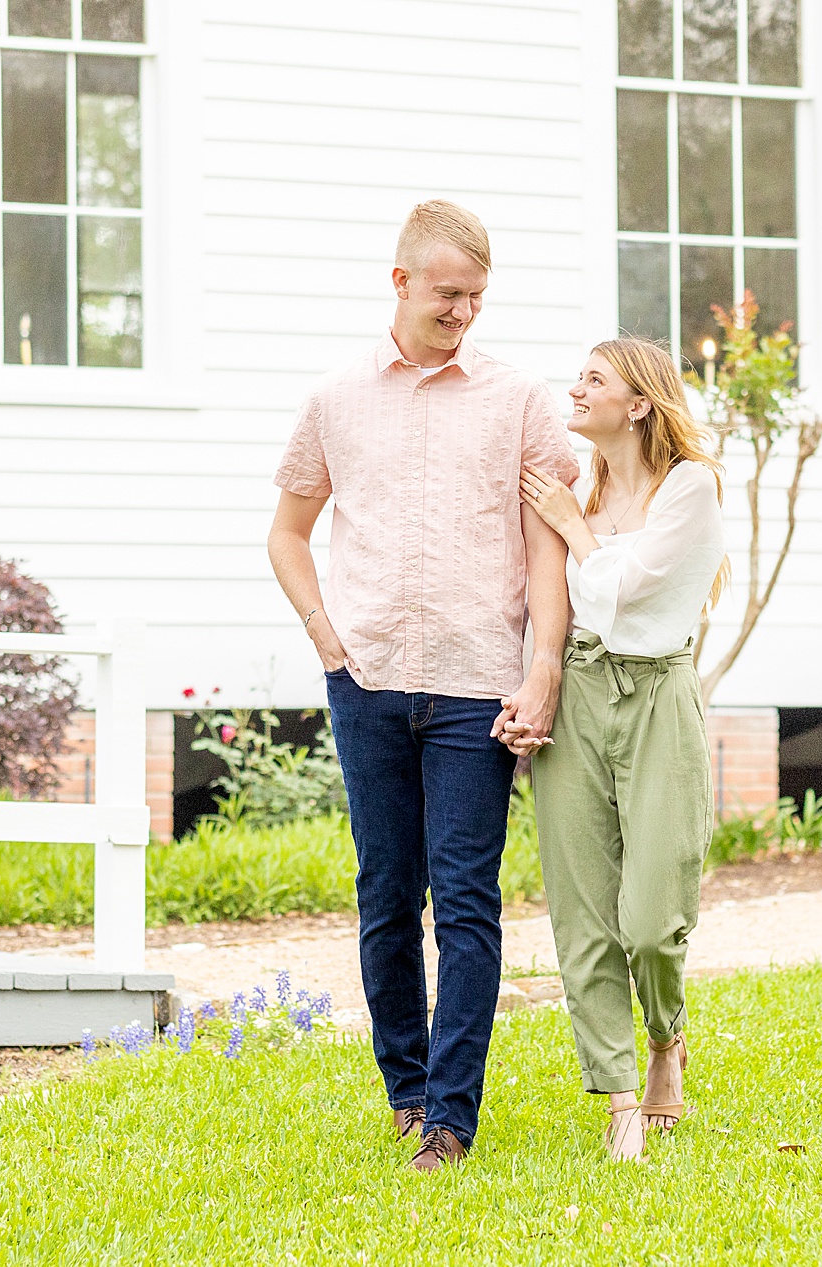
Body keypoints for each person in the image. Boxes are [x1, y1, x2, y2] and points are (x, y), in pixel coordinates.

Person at [266, 201, 579, 1172]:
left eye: (477, 298)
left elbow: (548, 538)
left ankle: (450, 1118)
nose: (463, 313)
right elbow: (288, 530)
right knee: (384, 896)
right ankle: (404, 1090)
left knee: (468, 903)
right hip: (366, 684)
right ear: (399, 283)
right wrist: (327, 639)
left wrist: (543, 666)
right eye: (449, 294)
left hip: (478, 687)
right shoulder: (334, 399)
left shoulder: (518, 398)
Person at [513, 337, 727, 1163]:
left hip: (657, 694)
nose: (576, 389)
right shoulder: (582, 491)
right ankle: (619, 1095)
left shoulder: (691, 489)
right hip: (578, 693)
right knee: (582, 910)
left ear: (638, 403)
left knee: (650, 915)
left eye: (593, 380)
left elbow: (622, 593)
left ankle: (667, 1036)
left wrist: (571, 527)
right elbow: (554, 604)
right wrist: (535, 685)